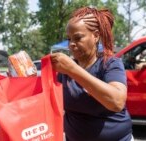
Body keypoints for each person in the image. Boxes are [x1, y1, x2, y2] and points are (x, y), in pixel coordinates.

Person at [51, 7, 133, 141]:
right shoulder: (64, 71)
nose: (71, 44)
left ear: (95, 36)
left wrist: (73, 69)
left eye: (78, 38)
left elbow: (117, 102)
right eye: (69, 38)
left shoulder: (110, 63)